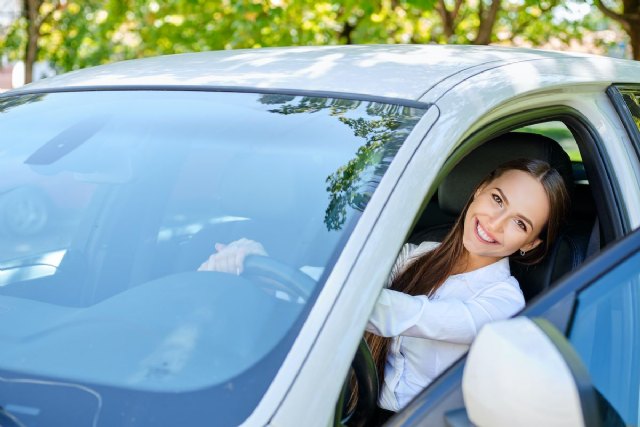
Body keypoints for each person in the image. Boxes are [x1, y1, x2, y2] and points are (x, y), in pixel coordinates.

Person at [198, 158, 570, 416]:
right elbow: (350, 276)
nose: (496, 222)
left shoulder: (505, 303)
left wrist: (288, 277)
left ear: (530, 244)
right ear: (478, 190)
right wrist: (257, 264)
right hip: (353, 399)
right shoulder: (422, 251)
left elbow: (406, 314)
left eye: (520, 223)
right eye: (497, 199)